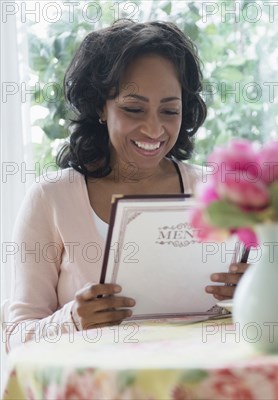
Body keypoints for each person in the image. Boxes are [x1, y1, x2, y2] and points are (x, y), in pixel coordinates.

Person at [6, 20, 247, 351]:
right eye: (133, 108)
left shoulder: (215, 192)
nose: (153, 128)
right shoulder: (52, 199)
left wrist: (250, 294)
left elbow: (259, 319)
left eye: (170, 111)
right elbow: (16, 337)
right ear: (101, 107)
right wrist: (73, 320)